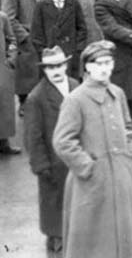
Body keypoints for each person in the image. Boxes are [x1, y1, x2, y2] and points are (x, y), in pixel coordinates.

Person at [51, 40, 132, 258]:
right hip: (91, 183)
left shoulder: (117, 93)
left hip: (120, 178)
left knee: (122, 235)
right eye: (98, 63)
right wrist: (87, 167)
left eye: (108, 62)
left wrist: (131, 154)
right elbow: (63, 141)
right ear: (88, 67)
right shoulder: (76, 99)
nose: (104, 68)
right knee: (94, 242)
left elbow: (128, 126)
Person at [23, 47, 77, 253]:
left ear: (66, 65)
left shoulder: (75, 86)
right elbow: (33, 136)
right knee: (52, 198)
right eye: (50, 67)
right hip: (52, 160)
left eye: (59, 65)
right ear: (44, 69)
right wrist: (40, 165)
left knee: (73, 195)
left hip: (73, 154)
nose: (55, 70)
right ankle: (54, 235)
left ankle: (73, 228)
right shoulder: (36, 97)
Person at [2, 0, 42, 115]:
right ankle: (24, 104)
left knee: (38, 71)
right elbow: (8, 19)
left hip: (39, 36)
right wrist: (25, 37)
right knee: (26, 74)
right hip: (25, 41)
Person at [31, 0, 87, 82]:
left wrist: (77, 50)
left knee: (70, 83)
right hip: (50, 53)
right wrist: (43, 51)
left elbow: (82, 28)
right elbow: (36, 32)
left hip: (70, 54)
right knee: (51, 83)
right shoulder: (41, 5)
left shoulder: (74, 4)